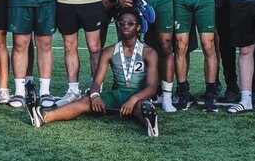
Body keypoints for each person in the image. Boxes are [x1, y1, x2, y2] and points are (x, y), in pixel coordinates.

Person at [27, 8, 159, 137]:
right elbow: (96, 81)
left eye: (131, 23)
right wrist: (95, 95)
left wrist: (134, 99)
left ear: (138, 27)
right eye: (122, 23)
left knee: (143, 107)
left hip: (138, 96)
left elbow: (152, 87)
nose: (125, 26)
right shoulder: (109, 51)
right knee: (85, 101)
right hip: (117, 95)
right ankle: (44, 117)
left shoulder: (149, 52)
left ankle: (150, 124)